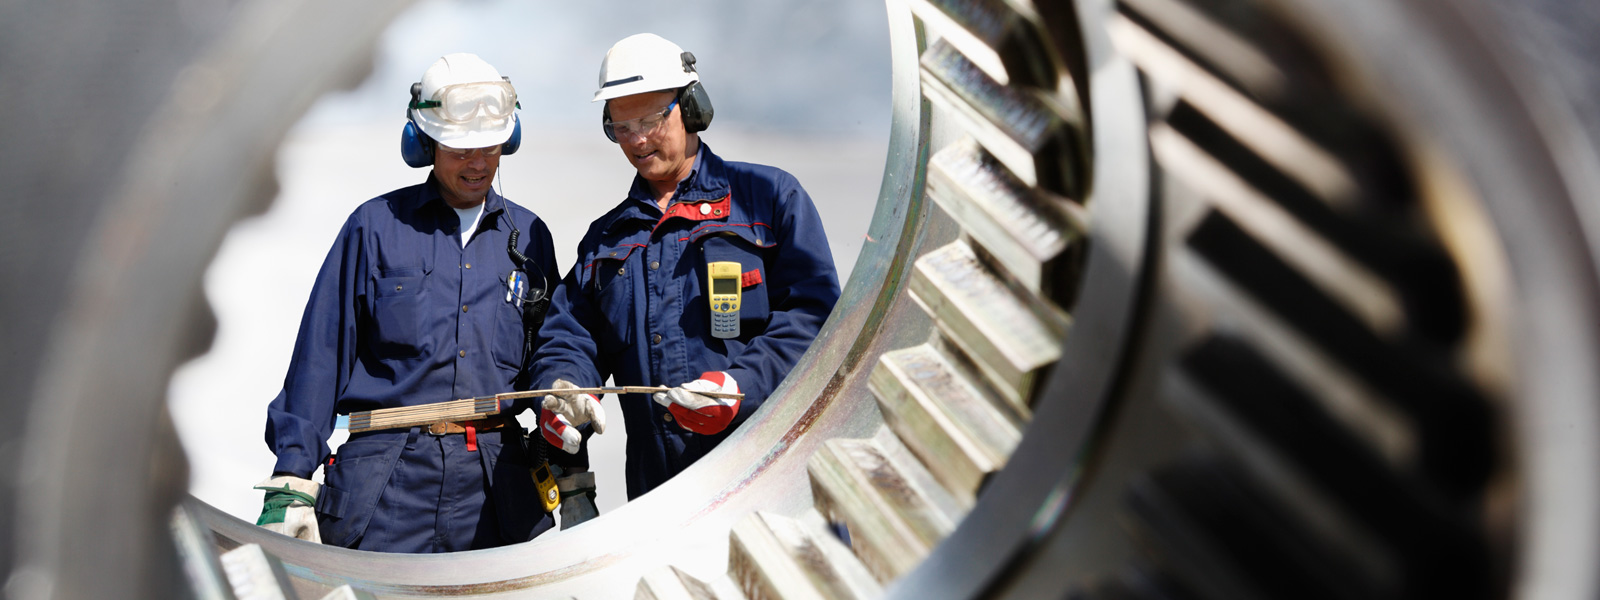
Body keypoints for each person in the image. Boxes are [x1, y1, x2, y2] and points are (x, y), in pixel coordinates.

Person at [256, 53, 566, 553]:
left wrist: (567, 443)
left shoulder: (530, 237)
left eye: (490, 145)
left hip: (496, 488)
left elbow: (554, 351)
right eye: (461, 148)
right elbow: (322, 354)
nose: (479, 162)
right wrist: (292, 477)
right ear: (424, 142)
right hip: (384, 487)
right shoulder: (374, 227)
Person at [532, 33, 841, 502]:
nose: (636, 139)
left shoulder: (768, 198)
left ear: (692, 107)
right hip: (661, 496)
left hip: (770, 475)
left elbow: (814, 318)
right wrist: (564, 388)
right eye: (621, 126)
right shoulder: (606, 240)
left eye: (651, 120)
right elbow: (570, 335)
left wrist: (740, 385)